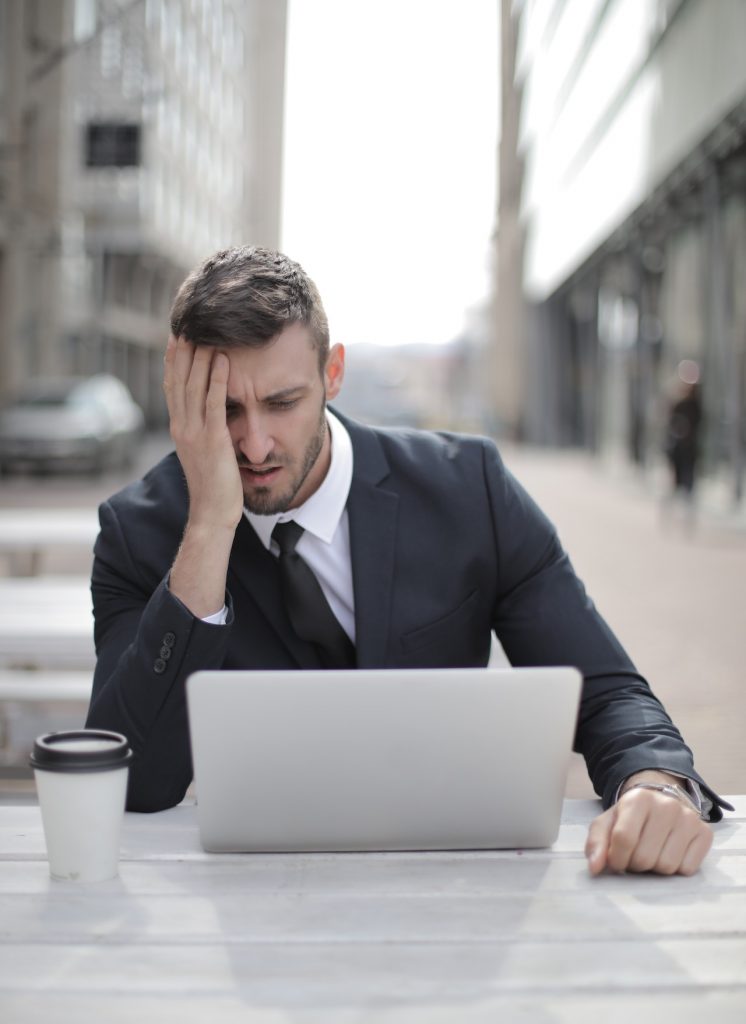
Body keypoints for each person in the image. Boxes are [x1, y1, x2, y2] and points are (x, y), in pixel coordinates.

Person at [86, 246, 730, 876]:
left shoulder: (468, 488)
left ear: (332, 373)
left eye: (283, 402)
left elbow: (607, 691)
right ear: (181, 396)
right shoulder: (138, 533)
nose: (254, 444)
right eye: (226, 410)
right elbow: (133, 781)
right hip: (251, 898)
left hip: (452, 881)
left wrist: (657, 784)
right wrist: (208, 527)